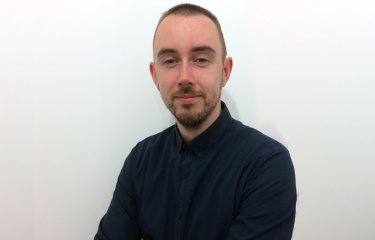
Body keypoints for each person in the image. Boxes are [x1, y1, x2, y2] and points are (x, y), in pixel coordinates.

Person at [94, 3, 296, 240]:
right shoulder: (141, 160)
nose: (184, 77)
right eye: (170, 61)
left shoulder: (266, 164)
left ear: (225, 70)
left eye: (200, 59)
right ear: (154, 75)